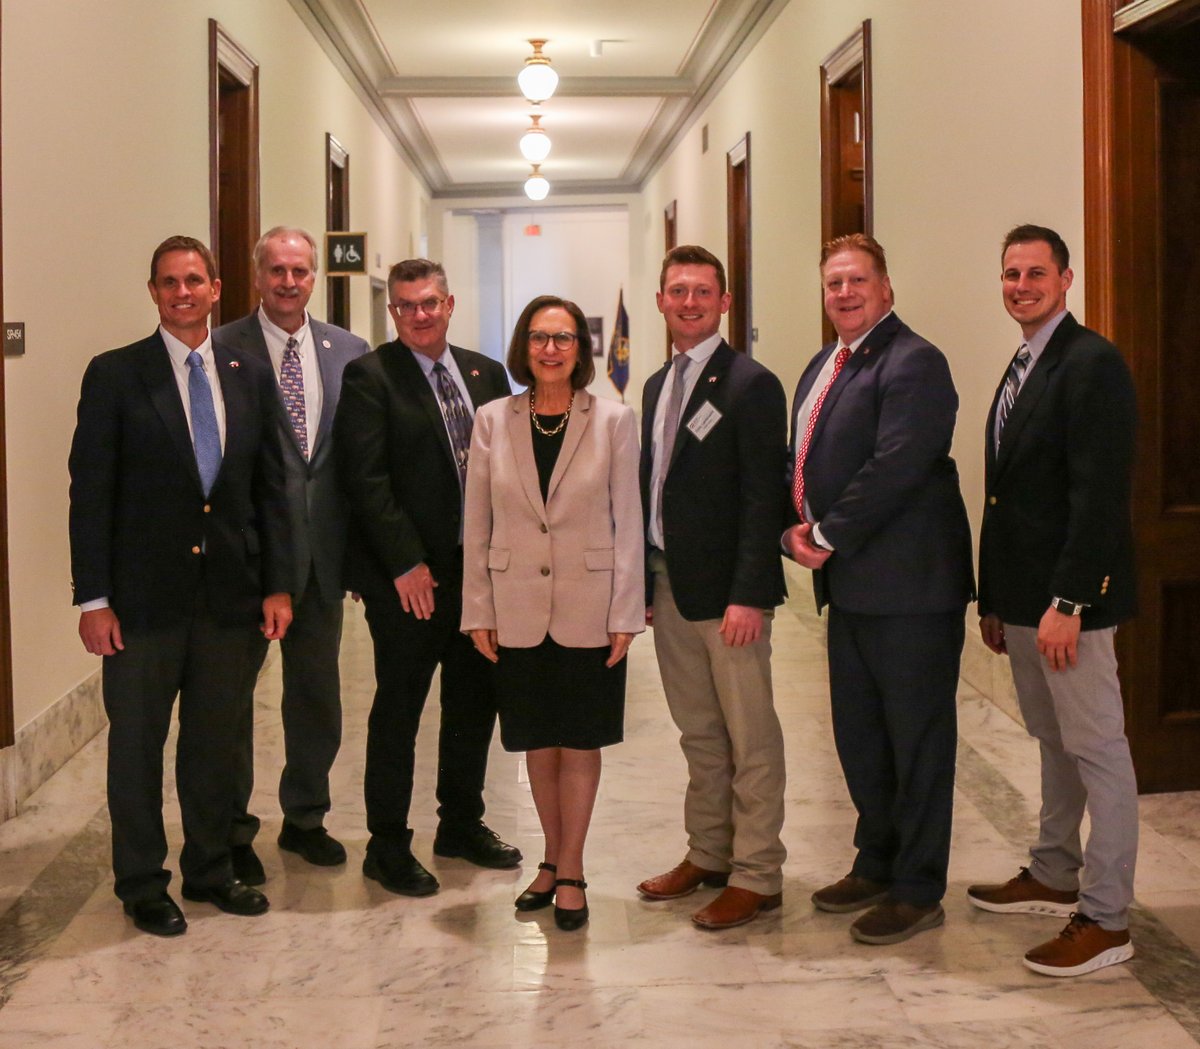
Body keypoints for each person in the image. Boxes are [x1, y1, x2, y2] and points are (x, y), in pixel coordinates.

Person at [68, 235, 292, 936]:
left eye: (194, 279)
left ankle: (209, 869)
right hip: (140, 604)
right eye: (169, 282)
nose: (183, 292)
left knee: (214, 741)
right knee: (137, 745)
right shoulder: (116, 374)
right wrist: (93, 599)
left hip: (228, 597)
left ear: (218, 287)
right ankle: (141, 882)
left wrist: (278, 585)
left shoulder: (247, 371)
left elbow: (271, 488)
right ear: (154, 292)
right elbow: (90, 493)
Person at [786, 233, 974, 945]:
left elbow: (899, 462)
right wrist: (790, 530)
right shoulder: (824, 363)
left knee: (917, 741)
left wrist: (826, 534)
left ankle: (919, 886)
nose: (844, 292)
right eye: (833, 282)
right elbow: (799, 461)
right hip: (855, 587)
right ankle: (877, 860)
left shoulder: (914, 361)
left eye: (858, 280)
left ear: (886, 287)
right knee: (862, 736)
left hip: (912, 589)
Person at [968, 224, 1139, 977]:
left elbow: (1099, 494)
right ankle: (1053, 866)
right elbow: (1009, 496)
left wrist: (1070, 598)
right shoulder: (1025, 361)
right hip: (1025, 602)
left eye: (1036, 272)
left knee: (1098, 749)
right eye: (1010, 272)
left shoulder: (1091, 362)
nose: (1021, 284)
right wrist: (997, 600)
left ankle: (1105, 917)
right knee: (1051, 737)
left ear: (1066, 278)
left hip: (1071, 605)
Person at [334, 258, 520, 897]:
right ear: (393, 313)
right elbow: (366, 479)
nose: (419, 314)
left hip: (479, 576)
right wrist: (404, 564)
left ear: (450, 303)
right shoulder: (369, 377)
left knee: (473, 705)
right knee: (399, 710)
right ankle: (386, 844)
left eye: (430, 303)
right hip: (410, 582)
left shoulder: (486, 372)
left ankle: (461, 824)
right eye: (406, 305)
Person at [462, 296, 644, 932]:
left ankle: (572, 869)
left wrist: (627, 612)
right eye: (539, 338)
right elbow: (477, 523)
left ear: (581, 348)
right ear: (523, 346)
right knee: (537, 741)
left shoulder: (615, 420)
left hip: (590, 607)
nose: (550, 349)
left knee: (581, 739)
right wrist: (476, 610)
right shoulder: (492, 420)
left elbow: (628, 524)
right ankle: (549, 859)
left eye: (563, 338)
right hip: (513, 607)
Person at [636, 245, 790, 931]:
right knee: (699, 733)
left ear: (724, 303)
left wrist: (750, 594)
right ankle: (709, 852)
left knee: (749, 737)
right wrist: (641, 579)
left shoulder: (750, 384)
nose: (689, 302)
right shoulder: (656, 384)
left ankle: (758, 874)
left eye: (703, 291)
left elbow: (765, 496)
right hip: (670, 584)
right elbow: (653, 488)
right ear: (662, 301)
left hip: (729, 594)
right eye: (677, 291)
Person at [216, 226, 369, 882]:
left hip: (324, 562)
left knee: (316, 693)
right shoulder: (220, 348)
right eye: (275, 269)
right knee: (230, 698)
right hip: (246, 560)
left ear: (315, 277)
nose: (287, 281)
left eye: (299, 270)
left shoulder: (349, 352)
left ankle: (306, 815)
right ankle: (230, 825)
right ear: (257, 276)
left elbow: (359, 464)